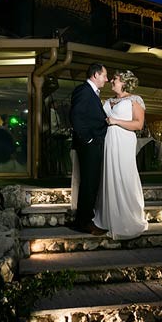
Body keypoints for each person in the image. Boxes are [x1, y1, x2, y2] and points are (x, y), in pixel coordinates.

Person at [93, 70, 148, 240]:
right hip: (108, 141)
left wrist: (116, 121)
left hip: (124, 141)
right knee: (109, 176)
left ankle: (127, 216)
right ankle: (109, 217)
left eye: (115, 79)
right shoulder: (108, 101)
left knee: (124, 175)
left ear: (124, 82)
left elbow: (139, 125)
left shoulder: (135, 100)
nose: (111, 81)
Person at [69, 63, 109, 235]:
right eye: (104, 75)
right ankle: (83, 222)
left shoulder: (91, 92)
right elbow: (75, 116)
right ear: (95, 75)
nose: (106, 79)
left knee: (91, 182)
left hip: (93, 144)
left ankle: (84, 219)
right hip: (89, 144)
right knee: (89, 183)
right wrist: (89, 139)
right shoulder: (84, 90)